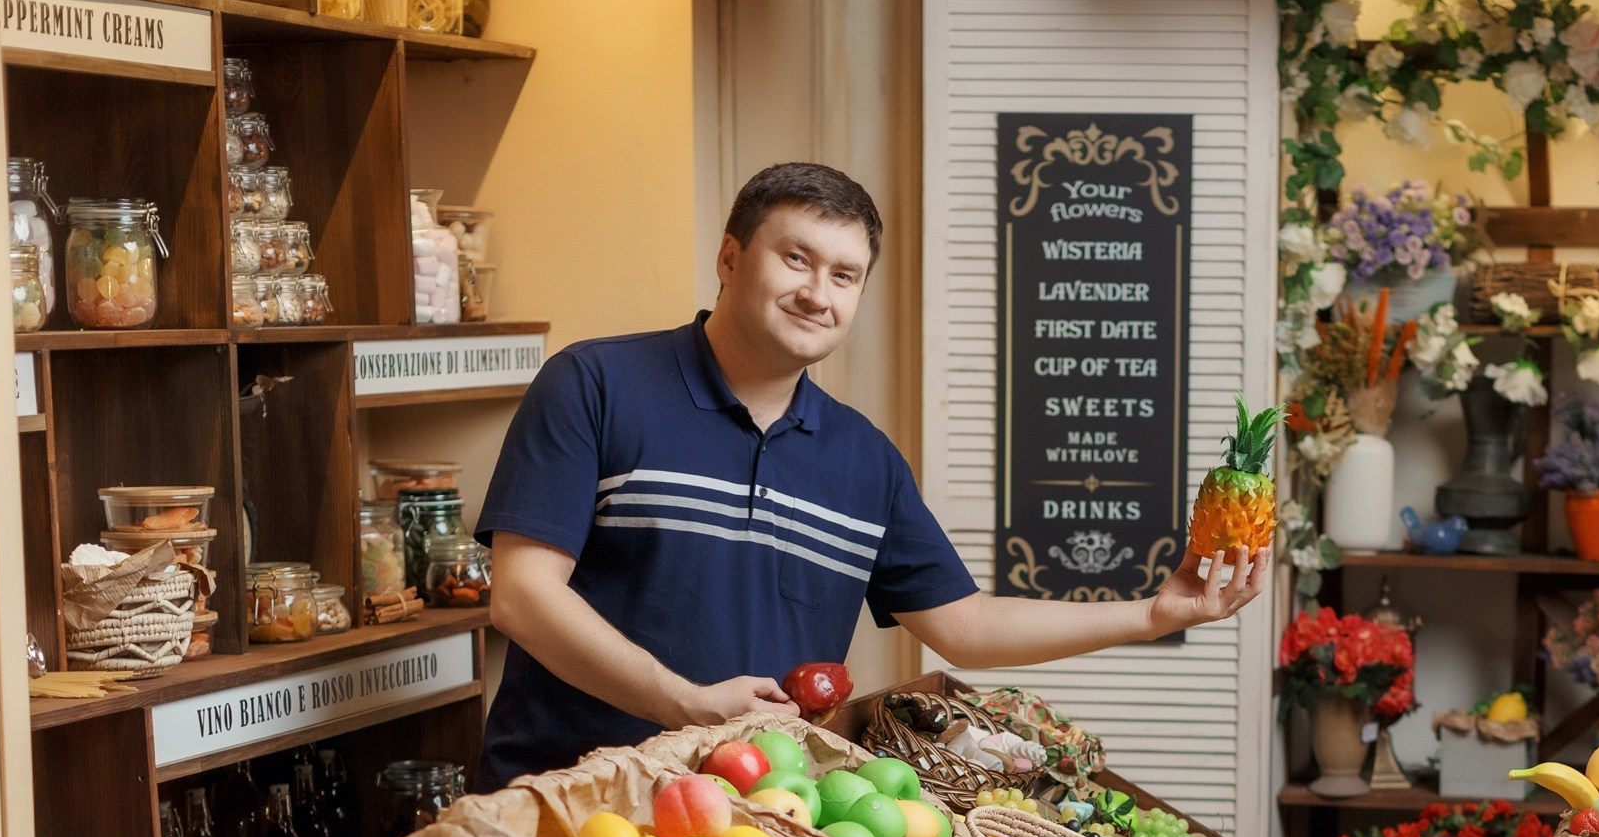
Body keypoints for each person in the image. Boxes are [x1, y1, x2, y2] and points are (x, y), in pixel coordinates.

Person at [473, 162, 1268, 788]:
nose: (819, 294)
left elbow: (966, 626)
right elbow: (522, 595)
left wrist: (1153, 615)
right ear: (729, 257)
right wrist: (685, 705)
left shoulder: (864, 460)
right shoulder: (596, 384)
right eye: (796, 259)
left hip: (762, 817)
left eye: (845, 275)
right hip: (568, 801)